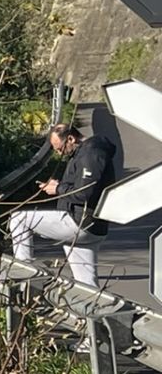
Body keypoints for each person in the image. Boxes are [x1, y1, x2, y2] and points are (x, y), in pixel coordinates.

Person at [10, 121, 118, 287]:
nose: (57, 152)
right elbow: (83, 185)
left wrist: (58, 188)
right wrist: (59, 186)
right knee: (87, 286)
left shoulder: (90, 154)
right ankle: (95, 311)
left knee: (19, 218)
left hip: (80, 221)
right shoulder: (88, 152)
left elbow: (85, 192)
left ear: (70, 139)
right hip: (93, 226)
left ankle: (24, 274)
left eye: (59, 147)